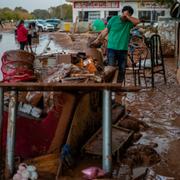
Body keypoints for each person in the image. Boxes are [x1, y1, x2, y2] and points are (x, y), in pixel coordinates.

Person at [93, 6, 140, 85]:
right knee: (110, 69)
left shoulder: (129, 23)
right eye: (124, 14)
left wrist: (128, 17)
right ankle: (109, 87)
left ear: (130, 16)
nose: (125, 17)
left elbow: (137, 21)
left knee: (122, 69)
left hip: (123, 49)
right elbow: (105, 31)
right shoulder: (114, 19)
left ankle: (118, 86)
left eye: (128, 15)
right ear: (122, 12)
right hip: (111, 48)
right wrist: (97, 40)